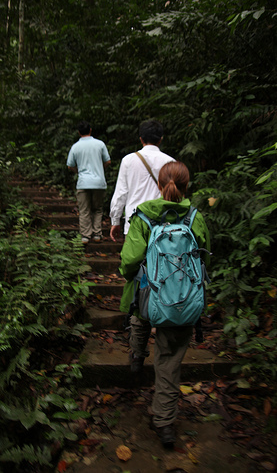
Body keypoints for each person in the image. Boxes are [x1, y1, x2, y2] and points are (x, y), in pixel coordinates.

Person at [119, 161, 211, 447]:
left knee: (140, 300)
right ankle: (164, 423)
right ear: (187, 187)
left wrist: (133, 275)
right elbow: (205, 260)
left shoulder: (144, 216)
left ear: (159, 186)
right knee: (170, 362)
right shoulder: (195, 218)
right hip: (181, 301)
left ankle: (136, 356)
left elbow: (129, 261)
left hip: (150, 294)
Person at [109, 119, 175, 241]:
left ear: (141, 139)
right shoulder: (170, 162)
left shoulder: (128, 160)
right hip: (162, 223)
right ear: (160, 139)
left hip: (134, 221)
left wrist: (115, 221)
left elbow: (121, 193)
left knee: (134, 259)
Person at [67, 121, 111, 244]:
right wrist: (100, 170)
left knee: (84, 210)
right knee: (97, 209)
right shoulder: (100, 144)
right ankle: (97, 234)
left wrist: (79, 172)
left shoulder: (75, 147)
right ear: (90, 130)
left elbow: (70, 165)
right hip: (99, 182)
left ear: (78, 132)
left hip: (83, 182)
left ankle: (86, 236)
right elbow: (108, 161)